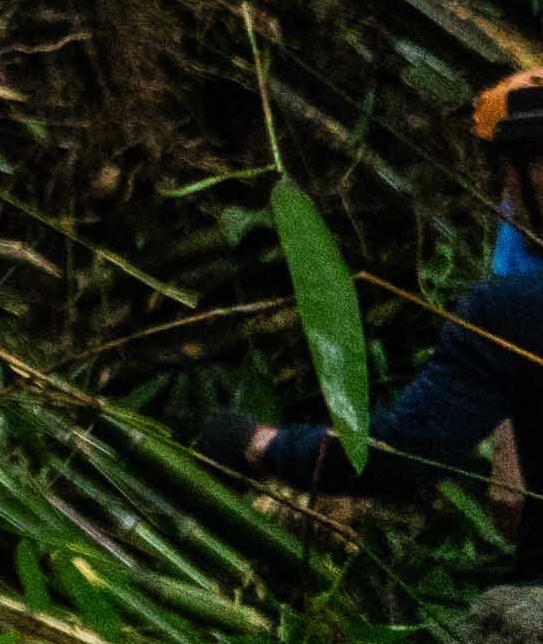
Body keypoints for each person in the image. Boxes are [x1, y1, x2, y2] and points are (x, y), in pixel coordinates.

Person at [218, 72, 543, 567]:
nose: (504, 200)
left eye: (509, 176)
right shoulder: (517, 279)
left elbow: (404, 451)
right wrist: (508, 445)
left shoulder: (507, 308)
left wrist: (265, 446)